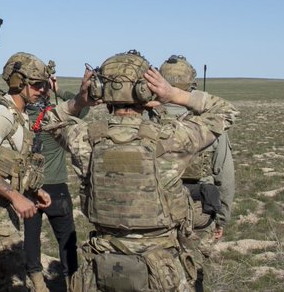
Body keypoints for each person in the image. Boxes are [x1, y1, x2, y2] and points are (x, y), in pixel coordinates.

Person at [42, 50, 238, 292]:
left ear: (101, 89)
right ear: (146, 89)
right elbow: (226, 111)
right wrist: (175, 94)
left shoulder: (85, 137)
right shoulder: (171, 138)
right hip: (160, 268)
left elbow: (48, 120)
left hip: (102, 266)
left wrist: (81, 101)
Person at [0, 52, 56, 291]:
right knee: (11, 283)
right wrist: (15, 196)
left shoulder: (20, 115)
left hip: (3, 207)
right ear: (18, 82)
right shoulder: (1, 114)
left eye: (44, 84)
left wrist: (34, 189)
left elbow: (12, 163)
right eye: (36, 84)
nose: (42, 89)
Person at [155, 56, 235, 291]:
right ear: (191, 85)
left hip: (156, 209)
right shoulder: (207, 123)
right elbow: (225, 175)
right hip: (197, 212)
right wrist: (222, 218)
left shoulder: (144, 120)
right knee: (193, 271)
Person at [23, 70, 80, 292]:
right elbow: (80, 106)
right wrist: (59, 89)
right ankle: (71, 282)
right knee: (66, 239)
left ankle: (38, 283)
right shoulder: (55, 115)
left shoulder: (23, 116)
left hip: (30, 186)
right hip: (57, 187)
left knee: (31, 238)